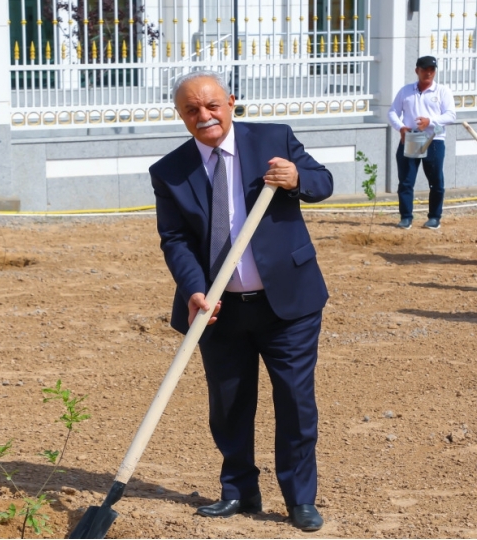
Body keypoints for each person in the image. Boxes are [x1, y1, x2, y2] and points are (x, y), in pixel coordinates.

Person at [149, 70, 332, 532]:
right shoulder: (169, 171)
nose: (203, 116)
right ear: (181, 116)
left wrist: (295, 178)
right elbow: (174, 238)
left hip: (286, 303)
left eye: (211, 105)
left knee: (294, 400)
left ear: (231, 102)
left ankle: (299, 498)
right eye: (191, 110)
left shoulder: (273, 138)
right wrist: (195, 289)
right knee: (228, 403)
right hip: (218, 309)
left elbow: (323, 181)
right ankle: (239, 490)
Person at [388, 55, 456, 230]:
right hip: (410, 138)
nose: (428, 73)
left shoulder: (442, 91)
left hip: (434, 139)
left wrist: (430, 121)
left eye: (432, 70)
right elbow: (393, 112)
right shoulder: (406, 91)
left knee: (435, 181)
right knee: (405, 180)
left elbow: (450, 115)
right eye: (425, 69)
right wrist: (401, 127)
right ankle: (406, 217)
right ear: (417, 70)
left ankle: (434, 217)